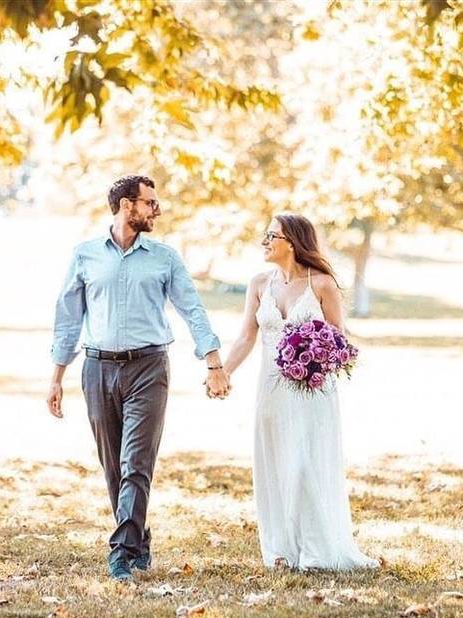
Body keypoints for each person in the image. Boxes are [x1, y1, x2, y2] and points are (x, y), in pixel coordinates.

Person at [47, 175, 231, 582]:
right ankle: (138, 536)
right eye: (150, 203)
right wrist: (57, 376)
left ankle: (122, 553)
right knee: (113, 465)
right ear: (126, 206)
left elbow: (193, 310)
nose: (156, 210)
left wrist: (214, 363)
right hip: (97, 369)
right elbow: (68, 319)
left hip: (149, 368)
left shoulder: (165, 258)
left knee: (137, 462)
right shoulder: (85, 256)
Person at [222, 214, 378, 570]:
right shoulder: (259, 283)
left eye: (270, 235)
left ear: (291, 241)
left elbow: (339, 337)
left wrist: (315, 354)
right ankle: (281, 550)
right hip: (271, 389)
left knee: (305, 463)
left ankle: (316, 550)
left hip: (312, 390)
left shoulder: (322, 284)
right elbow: (247, 335)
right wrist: (223, 372)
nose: (264, 241)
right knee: (275, 463)